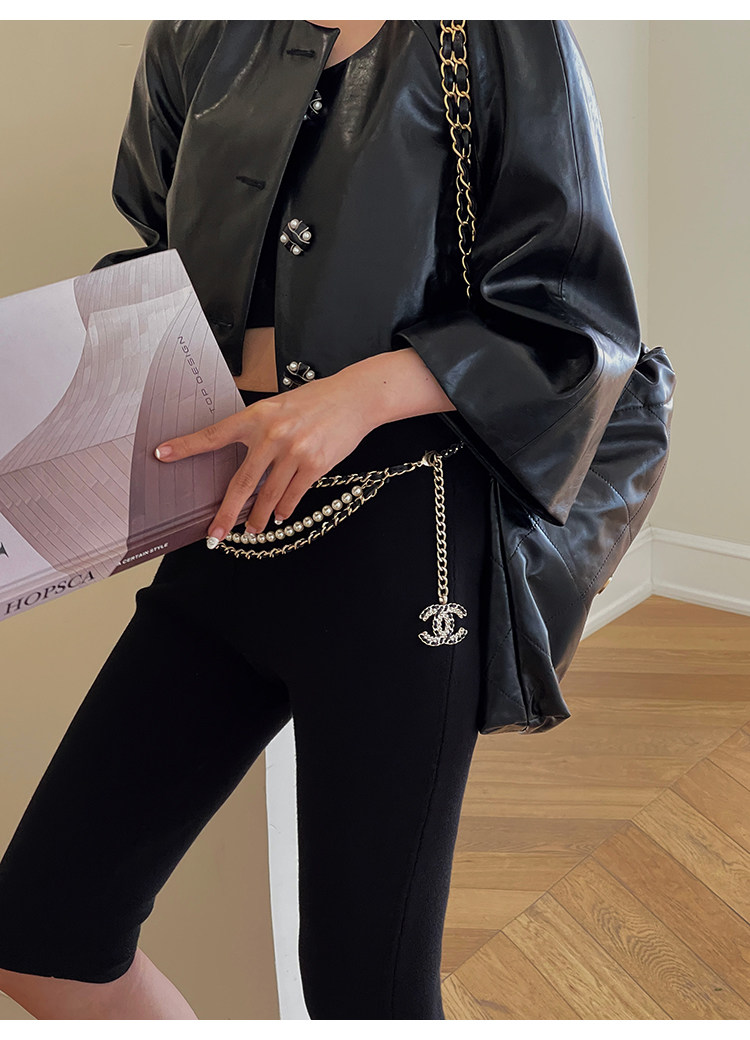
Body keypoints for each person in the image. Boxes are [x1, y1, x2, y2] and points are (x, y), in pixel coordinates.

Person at [0, 18, 642, 1020]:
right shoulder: (196, 33)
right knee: (41, 928)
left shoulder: (496, 31)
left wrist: (354, 396)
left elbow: (575, 318)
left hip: (404, 538)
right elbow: (155, 258)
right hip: (223, 521)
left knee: (364, 994)